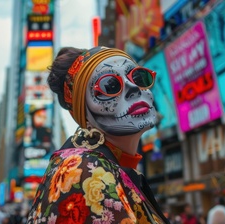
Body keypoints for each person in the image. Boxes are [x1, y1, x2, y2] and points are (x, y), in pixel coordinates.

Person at [26, 46, 169, 223]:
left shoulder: (108, 167)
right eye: (110, 85)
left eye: (138, 76)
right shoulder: (79, 170)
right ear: (82, 111)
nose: (133, 87)